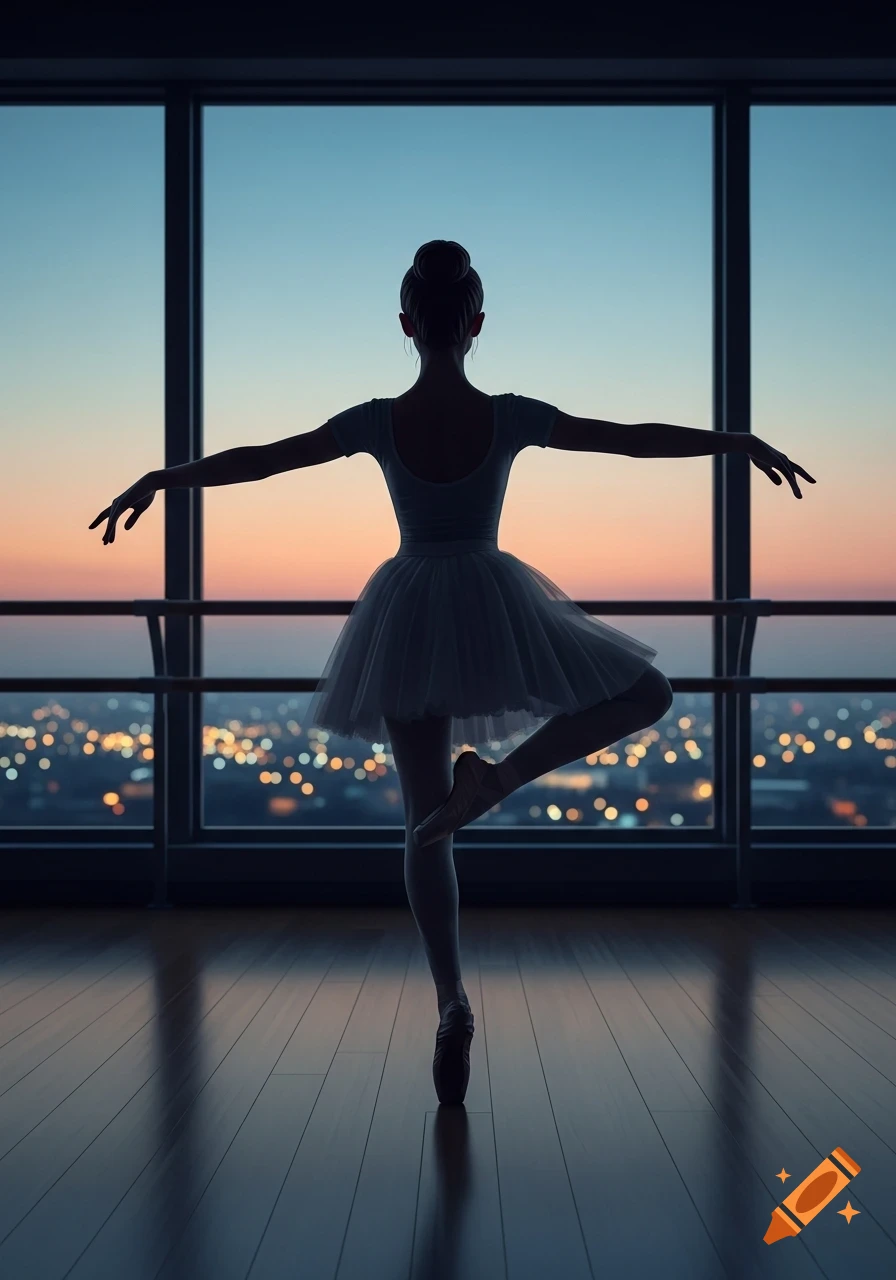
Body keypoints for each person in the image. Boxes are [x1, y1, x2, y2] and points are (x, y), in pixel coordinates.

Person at [90, 238, 815, 1107]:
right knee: (647, 692)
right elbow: (623, 440)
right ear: (476, 324)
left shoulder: (375, 420)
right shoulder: (507, 415)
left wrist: (163, 478)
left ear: (406, 324)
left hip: (407, 605)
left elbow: (265, 458)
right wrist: (730, 440)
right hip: (489, 589)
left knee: (421, 820)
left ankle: (450, 1001)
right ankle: (499, 781)